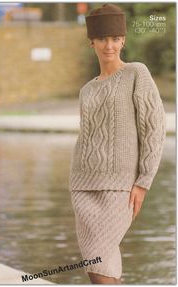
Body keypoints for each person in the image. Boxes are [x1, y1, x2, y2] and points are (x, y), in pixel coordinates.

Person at [68, 3, 166, 285]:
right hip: (83, 187)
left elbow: (153, 128)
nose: (108, 45)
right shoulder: (87, 90)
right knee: (98, 267)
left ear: (123, 40)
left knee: (100, 267)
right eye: (102, 39)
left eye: (114, 38)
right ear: (92, 42)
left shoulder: (137, 73)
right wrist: (75, 181)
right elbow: (86, 138)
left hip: (120, 188)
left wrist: (143, 181)